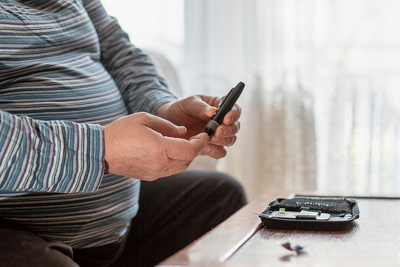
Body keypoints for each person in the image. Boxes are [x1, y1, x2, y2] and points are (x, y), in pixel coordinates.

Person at [0, 0, 246, 266]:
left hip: (114, 223)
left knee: (221, 197)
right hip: (17, 227)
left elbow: (121, 55)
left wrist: (162, 108)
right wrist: (103, 150)